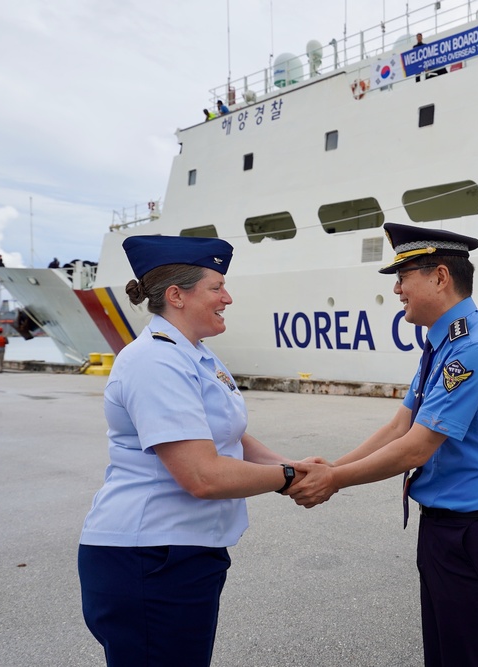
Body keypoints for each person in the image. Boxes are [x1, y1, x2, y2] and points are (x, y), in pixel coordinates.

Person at [288, 223, 478, 667]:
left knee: (466, 654)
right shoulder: (444, 343)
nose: (396, 289)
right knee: (444, 649)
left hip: (470, 532)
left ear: (439, 277)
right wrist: (334, 466)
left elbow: (415, 448)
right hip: (445, 528)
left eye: (403, 276)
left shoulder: (474, 349)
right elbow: (401, 424)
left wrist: (333, 480)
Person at [78, 235, 303, 666]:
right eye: (216, 287)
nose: (228, 297)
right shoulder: (155, 362)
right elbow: (202, 475)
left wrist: (288, 464)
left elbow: (229, 436)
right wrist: (290, 479)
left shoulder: (195, 354)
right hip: (149, 558)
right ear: (176, 295)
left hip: (182, 552)